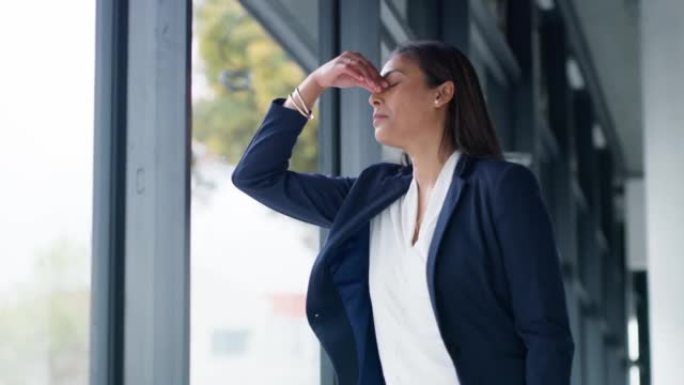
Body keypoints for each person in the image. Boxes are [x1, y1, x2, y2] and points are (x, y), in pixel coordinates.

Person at [231, 40, 574, 385]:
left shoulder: (500, 188)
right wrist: (316, 83)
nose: (374, 96)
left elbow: (545, 332)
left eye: (390, 83)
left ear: (441, 94)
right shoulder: (371, 196)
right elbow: (257, 176)